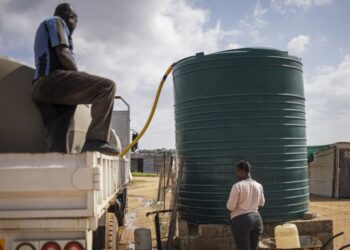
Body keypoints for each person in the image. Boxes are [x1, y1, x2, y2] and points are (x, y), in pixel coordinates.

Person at [32, 3, 119, 155]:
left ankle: (56, 168)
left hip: (42, 90)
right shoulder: (56, 21)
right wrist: (80, 76)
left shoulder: (43, 29)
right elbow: (62, 52)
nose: (75, 26)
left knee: (57, 135)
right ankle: (95, 141)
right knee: (107, 87)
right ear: (71, 17)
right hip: (51, 81)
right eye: (76, 21)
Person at [226, 160, 265, 250]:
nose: (236, 174)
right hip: (257, 220)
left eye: (237, 171)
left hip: (242, 221)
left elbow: (230, 207)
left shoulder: (237, 186)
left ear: (242, 172)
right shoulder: (259, 185)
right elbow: (261, 204)